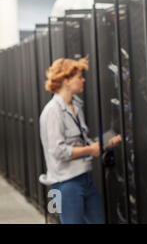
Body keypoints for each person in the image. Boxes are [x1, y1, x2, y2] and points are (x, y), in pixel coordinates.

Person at [39, 57, 121, 224]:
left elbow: (80, 143)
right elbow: (58, 151)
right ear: (66, 80)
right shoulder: (53, 111)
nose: (83, 80)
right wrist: (90, 150)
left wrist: (104, 144)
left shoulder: (75, 107)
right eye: (79, 76)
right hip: (65, 183)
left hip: (84, 178)